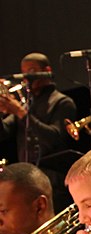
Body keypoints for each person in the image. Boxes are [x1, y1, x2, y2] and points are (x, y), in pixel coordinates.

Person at [0, 53, 77, 210]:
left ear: (47, 70)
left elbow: (54, 138)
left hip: (54, 181)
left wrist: (20, 112)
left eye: (32, 71)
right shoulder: (27, 105)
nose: (26, 77)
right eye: (24, 72)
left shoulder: (63, 102)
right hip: (28, 181)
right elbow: (3, 133)